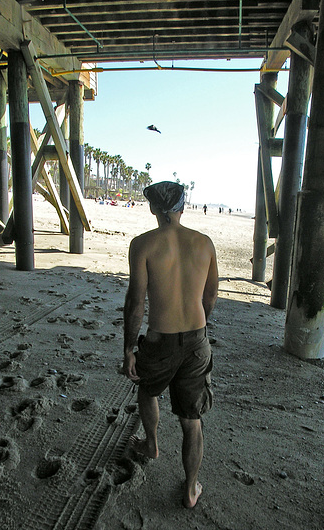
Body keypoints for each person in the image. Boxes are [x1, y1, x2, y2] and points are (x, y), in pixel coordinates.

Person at [123, 181, 218, 509]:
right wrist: (197, 326)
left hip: (159, 340)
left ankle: (151, 444)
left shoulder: (143, 245)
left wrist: (128, 349)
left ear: (153, 209)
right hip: (196, 339)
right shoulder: (204, 244)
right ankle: (191, 490)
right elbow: (211, 295)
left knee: (147, 391)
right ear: (183, 207)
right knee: (192, 420)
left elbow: (136, 302)